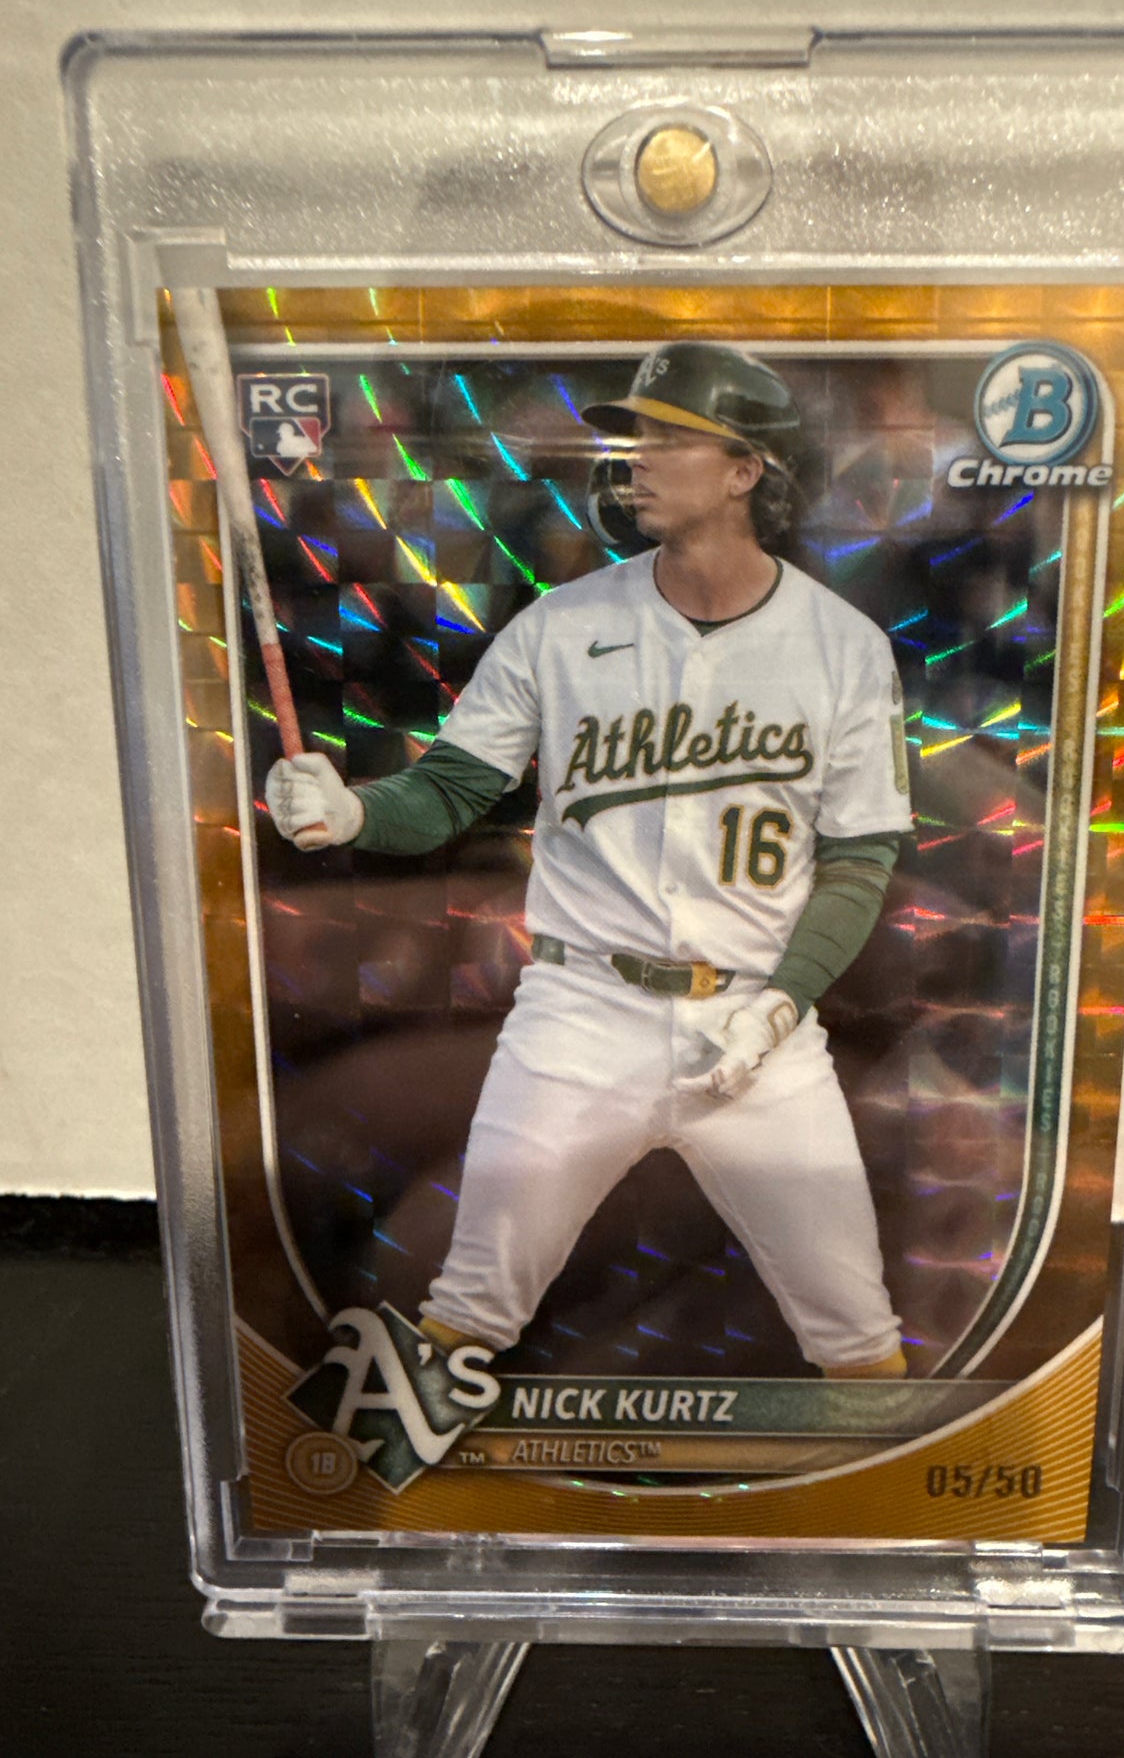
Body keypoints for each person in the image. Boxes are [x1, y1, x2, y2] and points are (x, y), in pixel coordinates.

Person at [266, 341, 912, 1378]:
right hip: (581, 1013)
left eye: (670, 439)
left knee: (857, 1332)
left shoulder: (844, 646)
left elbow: (860, 859)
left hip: (760, 1021)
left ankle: (894, 1485)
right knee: (462, 1299)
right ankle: (383, 1474)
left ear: (746, 471)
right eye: (634, 435)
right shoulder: (559, 629)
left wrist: (785, 1002)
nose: (637, 458)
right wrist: (351, 812)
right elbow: (447, 793)